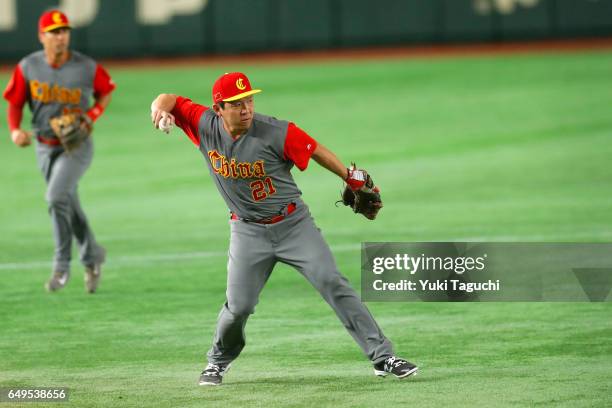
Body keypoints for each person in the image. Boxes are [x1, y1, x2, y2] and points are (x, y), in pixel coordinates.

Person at [150, 72, 418, 386]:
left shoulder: (276, 131)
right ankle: (217, 363)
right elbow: (169, 98)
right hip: (247, 231)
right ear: (219, 108)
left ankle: (383, 357)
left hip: (293, 225)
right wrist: (159, 110)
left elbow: (314, 149)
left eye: (249, 99)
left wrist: (348, 176)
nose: (246, 108)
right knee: (239, 307)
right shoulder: (204, 125)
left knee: (333, 282)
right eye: (237, 104)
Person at [3, 10, 115, 293]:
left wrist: (92, 115)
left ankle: (61, 266)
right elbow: (15, 101)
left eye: (64, 30)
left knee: (55, 198)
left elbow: (106, 90)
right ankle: (93, 255)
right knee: (67, 202)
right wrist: (15, 130)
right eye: (53, 32)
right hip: (44, 147)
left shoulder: (86, 67)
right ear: (42, 37)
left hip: (76, 146)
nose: (60, 36)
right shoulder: (28, 67)